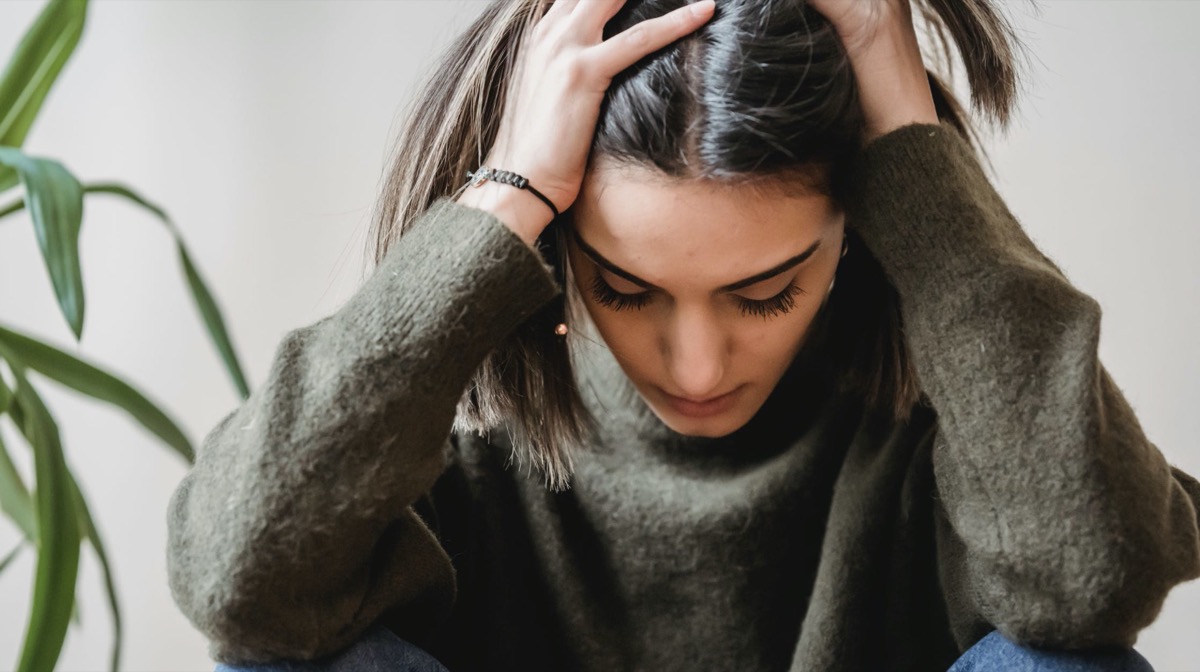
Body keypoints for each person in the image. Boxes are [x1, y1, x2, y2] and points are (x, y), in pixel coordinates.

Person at [165, 0, 1200, 670]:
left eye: (765, 294)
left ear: (854, 235)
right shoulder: (456, 432)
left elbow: (1092, 578)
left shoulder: (958, 434)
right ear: (561, 243)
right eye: (625, 288)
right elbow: (238, 581)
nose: (696, 367)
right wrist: (508, 191)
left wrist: (913, 150)